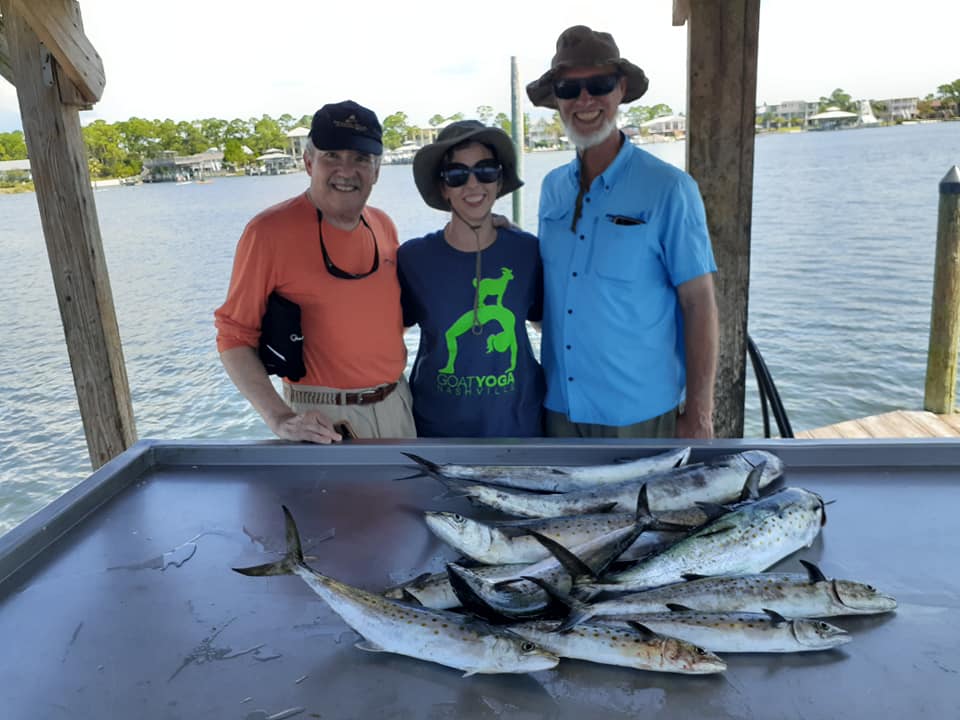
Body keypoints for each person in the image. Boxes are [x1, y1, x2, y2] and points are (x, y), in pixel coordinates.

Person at [526, 25, 719, 440]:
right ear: (556, 99)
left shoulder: (670, 188)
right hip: (560, 406)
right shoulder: (551, 188)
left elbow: (699, 302)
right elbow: (556, 292)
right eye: (568, 88)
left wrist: (700, 415)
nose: (584, 100)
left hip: (640, 413)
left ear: (621, 89)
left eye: (599, 83)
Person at [214, 100, 415, 442]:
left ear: (377, 171)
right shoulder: (268, 232)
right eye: (332, 156)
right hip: (322, 421)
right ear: (309, 162)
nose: (346, 170)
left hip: (398, 404)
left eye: (361, 159)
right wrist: (279, 418)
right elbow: (233, 337)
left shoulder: (384, 226)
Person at [398, 121, 545, 437]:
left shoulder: (528, 250)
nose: (473, 184)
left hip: (518, 427)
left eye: (486, 171)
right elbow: (388, 337)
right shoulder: (413, 258)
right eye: (457, 175)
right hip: (437, 430)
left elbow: (548, 326)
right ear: (443, 187)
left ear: (499, 178)